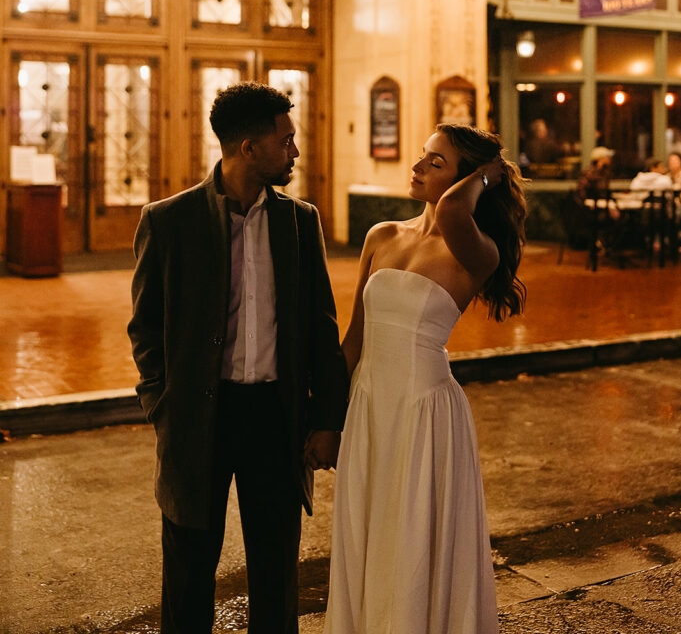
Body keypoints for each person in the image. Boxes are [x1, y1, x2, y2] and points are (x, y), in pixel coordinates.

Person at [128, 82, 348, 634]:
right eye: (286, 140)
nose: (294, 151)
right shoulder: (168, 221)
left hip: (276, 418)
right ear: (249, 148)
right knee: (188, 572)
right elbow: (146, 326)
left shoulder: (299, 221)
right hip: (200, 417)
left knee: (276, 574)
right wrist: (163, 404)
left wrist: (326, 421)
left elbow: (322, 328)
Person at [325, 124, 527, 634]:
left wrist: (489, 172)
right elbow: (354, 339)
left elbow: (455, 211)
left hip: (424, 412)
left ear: (469, 181)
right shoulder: (382, 235)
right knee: (369, 532)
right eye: (422, 156)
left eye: (436, 163)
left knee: (413, 536)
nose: (417, 168)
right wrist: (325, 418)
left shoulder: (477, 251)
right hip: (371, 406)